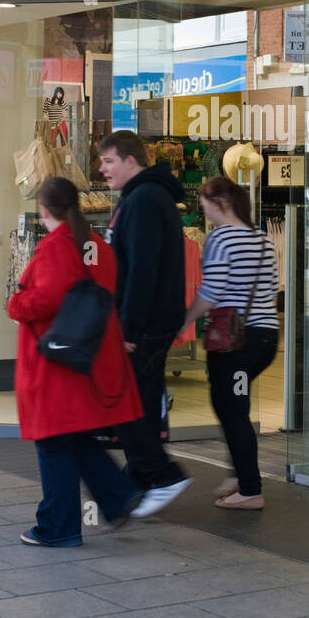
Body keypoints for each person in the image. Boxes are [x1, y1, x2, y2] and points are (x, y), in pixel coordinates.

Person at [6, 176, 145, 545]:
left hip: (57, 364)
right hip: (90, 359)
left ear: (44, 209)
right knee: (75, 439)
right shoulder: (97, 246)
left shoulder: (56, 246)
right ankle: (117, 495)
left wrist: (15, 303)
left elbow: (47, 298)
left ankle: (59, 526)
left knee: (54, 442)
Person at [98, 130, 191, 516]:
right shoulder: (143, 198)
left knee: (129, 401)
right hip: (152, 321)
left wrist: (129, 330)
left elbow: (141, 270)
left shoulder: (144, 200)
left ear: (131, 161)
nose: (102, 170)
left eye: (108, 161)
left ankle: (163, 474)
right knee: (141, 399)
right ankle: (140, 480)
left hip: (146, 325)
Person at [181, 176, 278, 511]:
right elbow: (273, 288)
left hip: (236, 342)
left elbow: (211, 292)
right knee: (235, 405)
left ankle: (251, 489)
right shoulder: (261, 238)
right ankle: (239, 473)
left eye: (204, 203)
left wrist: (185, 320)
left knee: (231, 410)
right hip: (265, 338)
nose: (202, 209)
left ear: (218, 203)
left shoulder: (222, 238)